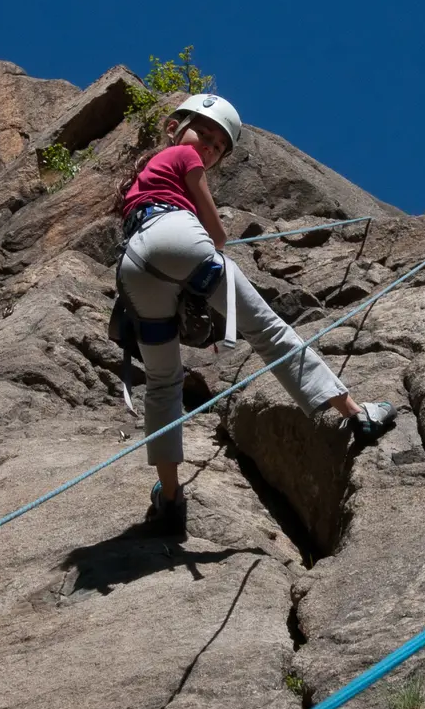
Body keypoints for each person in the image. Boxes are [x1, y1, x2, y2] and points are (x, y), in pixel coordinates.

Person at [114, 93, 396, 537]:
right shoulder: (184, 156)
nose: (207, 147)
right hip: (179, 235)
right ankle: (356, 413)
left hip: (134, 265)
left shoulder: (142, 179)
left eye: (217, 147)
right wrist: (216, 243)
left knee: (163, 381)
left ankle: (169, 498)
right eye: (203, 134)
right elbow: (217, 232)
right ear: (174, 127)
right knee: (266, 329)